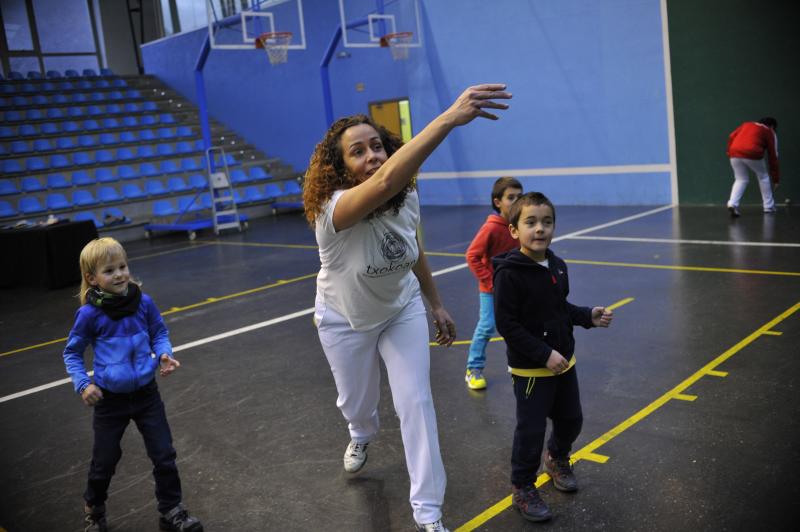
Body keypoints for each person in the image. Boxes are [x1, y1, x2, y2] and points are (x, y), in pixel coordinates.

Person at [303, 84, 511, 532]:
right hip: (344, 320)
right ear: (340, 168)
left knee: (417, 403)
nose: (372, 156)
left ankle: (429, 515)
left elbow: (411, 247)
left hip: (401, 311)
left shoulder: (406, 196)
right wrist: (449, 118)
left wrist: (435, 304)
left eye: (377, 145)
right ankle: (360, 434)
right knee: (356, 405)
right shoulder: (332, 209)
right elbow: (384, 181)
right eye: (357, 152)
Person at [62, 237, 203, 532]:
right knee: (105, 461)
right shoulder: (89, 314)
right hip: (109, 401)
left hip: (146, 395)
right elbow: (72, 353)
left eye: (123, 266)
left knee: (164, 455)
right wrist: (83, 384)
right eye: (110, 270)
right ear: (92, 278)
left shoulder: (144, 302)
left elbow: (159, 333)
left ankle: (171, 511)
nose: (120, 274)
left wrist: (165, 353)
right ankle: (95, 511)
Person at [492, 192, 613, 523]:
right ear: (514, 230)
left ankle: (557, 458)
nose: (540, 229)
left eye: (547, 222)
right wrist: (543, 354)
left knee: (571, 420)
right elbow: (508, 325)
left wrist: (588, 316)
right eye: (530, 222)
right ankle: (523, 486)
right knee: (529, 431)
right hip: (532, 369)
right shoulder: (509, 273)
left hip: (564, 364)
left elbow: (561, 308)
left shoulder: (557, 265)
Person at [464, 176, 523, 390]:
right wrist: (490, 281)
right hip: (491, 290)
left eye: (519, 196)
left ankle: (519, 363)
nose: (517, 201)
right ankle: (473, 369)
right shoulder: (491, 228)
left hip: (515, 289)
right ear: (498, 202)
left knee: (518, 326)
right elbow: (472, 255)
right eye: (511, 197)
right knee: (487, 327)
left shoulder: (518, 226)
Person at [726, 117, 780, 216]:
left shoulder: (746, 124)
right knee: (763, 177)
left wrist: (729, 152)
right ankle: (768, 206)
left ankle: (732, 203)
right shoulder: (769, 131)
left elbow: (731, 136)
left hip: (734, 152)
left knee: (740, 179)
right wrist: (776, 179)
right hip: (752, 152)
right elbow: (773, 156)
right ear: (772, 126)